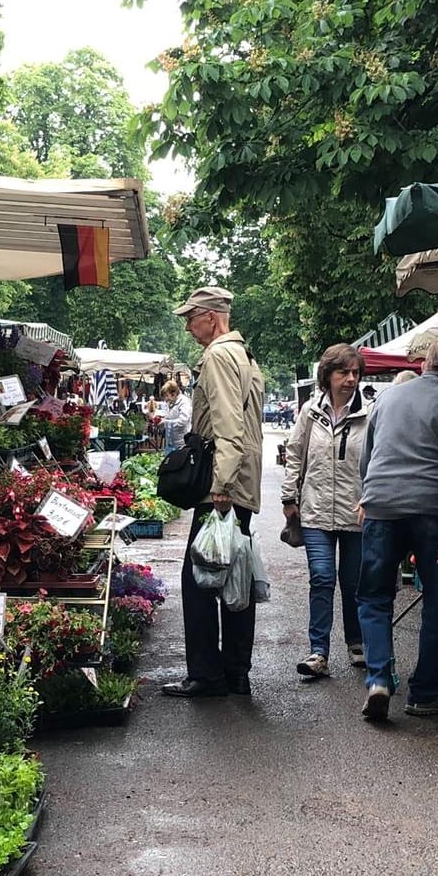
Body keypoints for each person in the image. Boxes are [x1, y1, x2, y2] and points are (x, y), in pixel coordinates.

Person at [354, 337, 438, 721]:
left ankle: (378, 677)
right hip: (431, 513)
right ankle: (423, 693)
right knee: (437, 601)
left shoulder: (388, 398)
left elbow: (367, 455)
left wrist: (368, 497)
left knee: (374, 596)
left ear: (424, 363)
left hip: (381, 507)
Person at [162, 286, 266, 699]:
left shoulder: (219, 355)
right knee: (234, 572)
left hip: (223, 485)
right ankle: (236, 671)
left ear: (212, 316)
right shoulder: (244, 355)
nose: (188, 326)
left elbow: (227, 426)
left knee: (200, 576)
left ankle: (207, 673)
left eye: (191, 317)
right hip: (241, 482)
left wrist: (220, 484)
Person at [281, 343, 369, 679]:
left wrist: (371, 498)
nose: (350, 379)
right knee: (321, 578)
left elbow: (377, 460)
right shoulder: (309, 412)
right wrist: (289, 498)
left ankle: (356, 643)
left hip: (355, 512)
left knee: (353, 582)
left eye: (355, 373)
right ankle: (319, 652)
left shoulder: (369, 413)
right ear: (327, 375)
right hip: (315, 511)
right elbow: (295, 453)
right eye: (342, 372)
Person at [158, 380, 191, 456]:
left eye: (166, 396)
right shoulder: (170, 402)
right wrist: (162, 421)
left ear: (173, 394)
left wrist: (166, 422)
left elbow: (183, 421)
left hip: (182, 442)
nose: (165, 399)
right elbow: (169, 417)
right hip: (171, 442)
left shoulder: (184, 402)